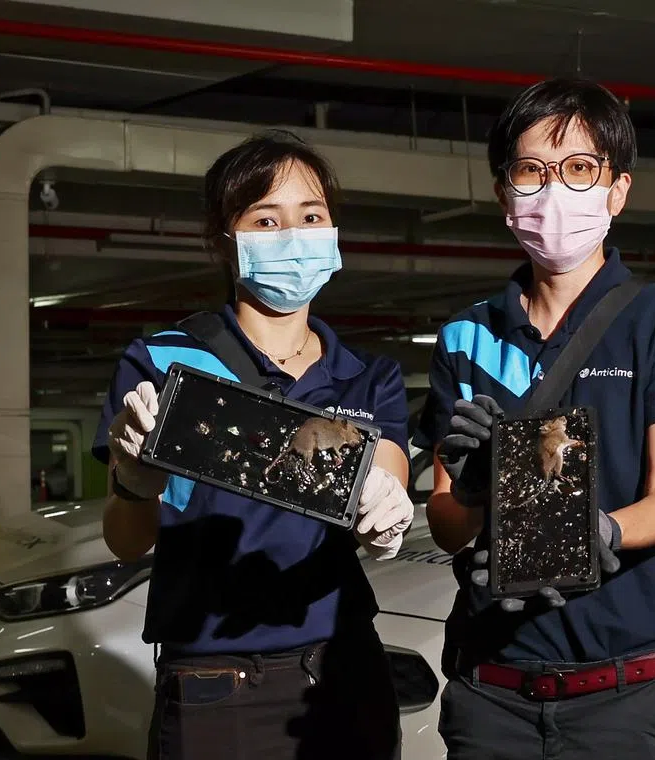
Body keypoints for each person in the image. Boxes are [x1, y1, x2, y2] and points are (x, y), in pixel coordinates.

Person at [412, 77, 655, 760]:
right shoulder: (464, 338)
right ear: (505, 195)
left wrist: (604, 530)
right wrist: (470, 492)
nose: (555, 190)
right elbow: (446, 523)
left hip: (631, 701)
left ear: (617, 190)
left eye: (580, 169)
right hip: (492, 696)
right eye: (532, 170)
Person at [91, 130, 413, 760]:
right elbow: (126, 539)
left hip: (347, 669)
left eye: (311, 215)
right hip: (217, 683)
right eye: (266, 218)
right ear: (225, 240)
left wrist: (387, 505)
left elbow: (390, 472)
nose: (294, 234)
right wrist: (134, 482)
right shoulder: (164, 361)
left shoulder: (368, 375)